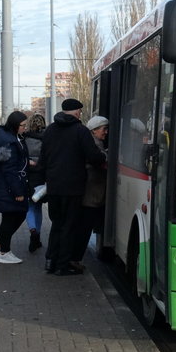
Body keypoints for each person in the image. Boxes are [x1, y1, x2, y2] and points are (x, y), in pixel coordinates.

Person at [40, 99, 106, 276]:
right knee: (70, 225)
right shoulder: (80, 130)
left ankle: (50, 261)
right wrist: (103, 158)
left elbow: (43, 159)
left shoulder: (50, 130)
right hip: (74, 187)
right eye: (80, 111)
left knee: (57, 224)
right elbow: (93, 156)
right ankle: (63, 265)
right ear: (77, 112)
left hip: (53, 186)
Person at [0, 111, 29, 264]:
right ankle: (4, 252)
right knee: (13, 216)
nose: (25, 128)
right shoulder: (9, 141)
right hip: (8, 187)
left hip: (1, 185)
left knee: (13, 216)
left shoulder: (3, 135)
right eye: (22, 125)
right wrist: (17, 192)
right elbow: (9, 169)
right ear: (15, 125)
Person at [73, 115, 108, 271]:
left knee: (85, 227)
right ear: (94, 131)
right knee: (84, 227)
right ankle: (75, 259)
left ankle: (75, 258)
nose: (105, 132)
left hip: (92, 192)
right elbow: (98, 161)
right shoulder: (93, 144)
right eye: (103, 129)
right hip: (91, 193)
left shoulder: (96, 142)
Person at [22, 113, 47, 253]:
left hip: (27, 174)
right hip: (41, 175)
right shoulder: (47, 138)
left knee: (29, 206)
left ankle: (33, 231)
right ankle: (37, 234)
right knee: (37, 206)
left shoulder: (24, 137)